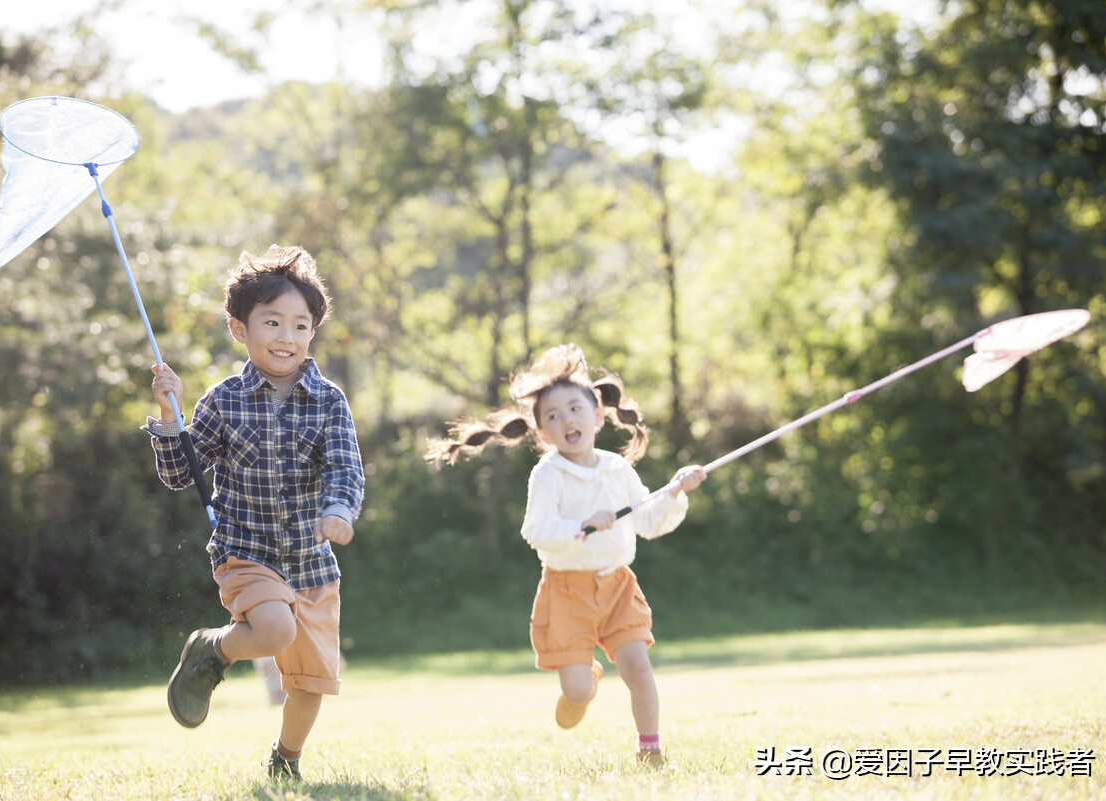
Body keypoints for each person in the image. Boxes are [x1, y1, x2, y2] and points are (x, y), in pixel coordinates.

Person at [425, 344, 704, 769]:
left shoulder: (617, 469)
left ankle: (649, 749)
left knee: (638, 667)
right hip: (567, 591)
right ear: (543, 434)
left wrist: (677, 491)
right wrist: (583, 527)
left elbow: (649, 521)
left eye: (575, 409)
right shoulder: (549, 474)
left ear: (597, 416)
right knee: (576, 691)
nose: (567, 420)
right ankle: (585, 681)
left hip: (617, 585)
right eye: (553, 416)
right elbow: (535, 531)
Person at [144, 244, 365, 782]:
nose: (287, 336)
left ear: (313, 331)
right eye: (272, 322)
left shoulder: (330, 401)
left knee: (310, 686)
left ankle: (285, 758)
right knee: (272, 629)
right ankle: (214, 650)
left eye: (300, 324)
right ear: (240, 328)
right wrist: (170, 417)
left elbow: (345, 467)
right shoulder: (223, 400)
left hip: (312, 563)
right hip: (246, 550)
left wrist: (339, 508)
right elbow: (181, 474)